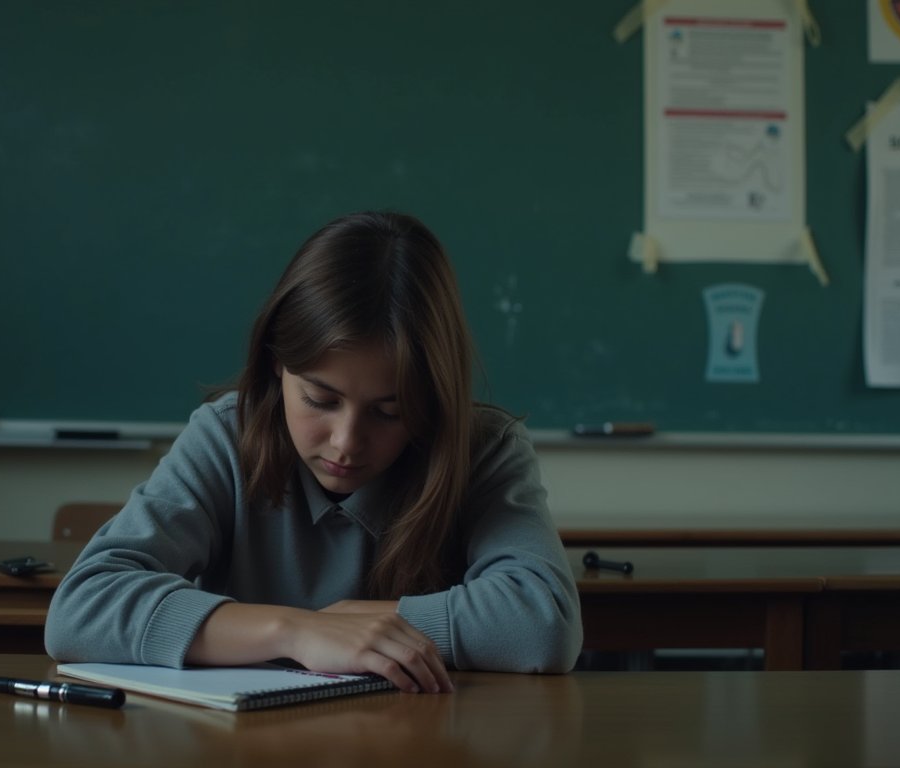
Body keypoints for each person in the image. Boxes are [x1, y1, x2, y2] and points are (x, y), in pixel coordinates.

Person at [45, 211, 582, 693]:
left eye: (389, 411)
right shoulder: (226, 436)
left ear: (434, 399)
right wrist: (298, 630)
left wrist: (362, 622)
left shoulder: (481, 448)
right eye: (320, 399)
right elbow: (81, 608)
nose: (347, 442)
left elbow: (544, 623)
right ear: (276, 366)